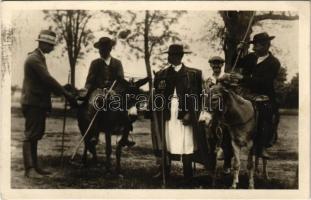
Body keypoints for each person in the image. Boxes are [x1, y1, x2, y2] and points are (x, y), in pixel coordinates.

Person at [21, 30, 77, 178]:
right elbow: (47, 79)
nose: (52, 48)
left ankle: (35, 167)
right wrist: (66, 94)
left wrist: (63, 89)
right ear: (44, 43)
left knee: (36, 135)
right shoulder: (34, 59)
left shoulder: (39, 58)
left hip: (37, 102)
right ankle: (29, 169)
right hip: (33, 102)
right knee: (30, 135)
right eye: (51, 45)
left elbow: (45, 82)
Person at [152, 44, 203, 181]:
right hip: (168, 113)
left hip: (185, 112)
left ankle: (188, 174)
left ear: (180, 56)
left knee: (186, 142)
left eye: (172, 55)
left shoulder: (192, 74)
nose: (169, 57)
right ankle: (165, 170)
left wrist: (191, 114)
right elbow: (157, 95)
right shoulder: (162, 74)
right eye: (169, 55)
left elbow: (198, 97)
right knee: (167, 140)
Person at [230, 32, 281, 158]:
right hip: (245, 93)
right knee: (229, 110)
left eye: (256, 45)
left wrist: (243, 78)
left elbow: (265, 81)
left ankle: (261, 145)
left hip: (263, 94)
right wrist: (237, 51)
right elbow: (235, 63)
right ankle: (225, 146)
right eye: (253, 45)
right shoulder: (251, 57)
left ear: (266, 46)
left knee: (267, 113)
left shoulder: (274, 62)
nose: (253, 48)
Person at [83, 37, 135, 147]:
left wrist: (114, 90)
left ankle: (125, 135)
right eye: (100, 49)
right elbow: (90, 80)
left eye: (104, 49)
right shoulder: (95, 63)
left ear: (110, 49)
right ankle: (95, 134)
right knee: (95, 103)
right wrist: (86, 90)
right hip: (98, 90)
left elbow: (120, 79)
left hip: (114, 91)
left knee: (124, 106)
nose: (101, 51)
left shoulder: (117, 63)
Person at [205, 56, 233, 174]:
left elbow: (233, 93)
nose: (216, 66)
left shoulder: (227, 77)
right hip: (212, 111)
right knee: (210, 137)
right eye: (213, 64)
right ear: (210, 65)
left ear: (222, 65)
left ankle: (227, 164)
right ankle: (211, 164)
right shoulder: (207, 79)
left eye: (218, 64)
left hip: (225, 111)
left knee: (227, 137)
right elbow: (205, 94)